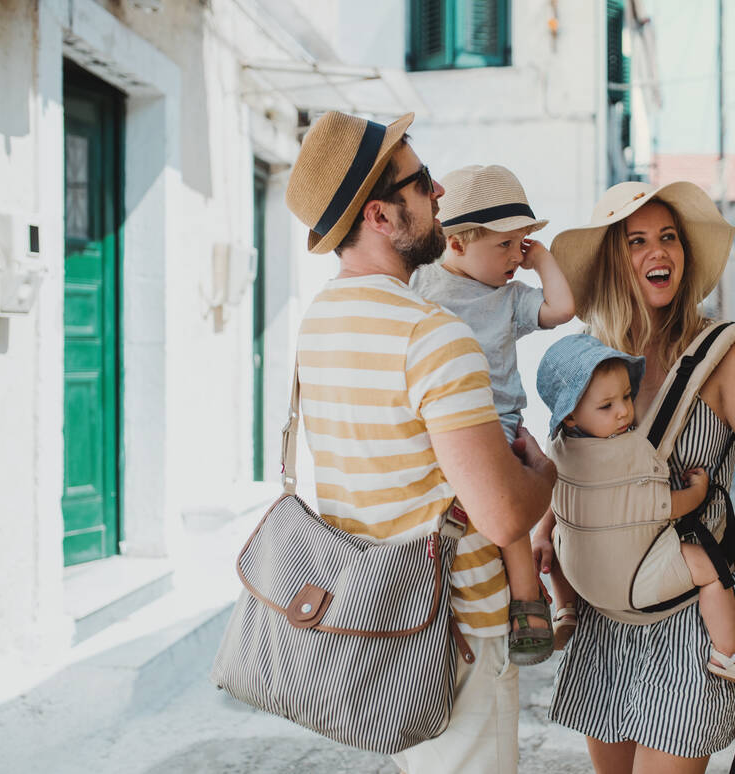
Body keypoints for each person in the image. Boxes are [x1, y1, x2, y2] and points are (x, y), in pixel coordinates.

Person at [284, 110, 556, 774]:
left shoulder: (319, 321)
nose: (439, 195)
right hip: (456, 625)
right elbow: (503, 513)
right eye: (422, 181)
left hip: (373, 615)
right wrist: (545, 474)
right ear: (380, 217)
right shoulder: (434, 336)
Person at [532, 180, 735, 773]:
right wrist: (547, 527)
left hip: (689, 608)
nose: (659, 252)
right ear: (611, 259)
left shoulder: (727, 354)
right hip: (606, 607)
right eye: (637, 241)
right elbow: (576, 463)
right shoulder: (587, 356)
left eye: (669, 238)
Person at [535, 333, 735, 693]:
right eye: (607, 406)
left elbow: (555, 498)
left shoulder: (558, 448)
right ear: (570, 416)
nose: (624, 412)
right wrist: (697, 492)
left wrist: (541, 533)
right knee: (711, 569)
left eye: (627, 397)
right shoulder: (627, 454)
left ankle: (565, 609)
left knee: (560, 536)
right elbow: (663, 507)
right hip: (634, 581)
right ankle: (728, 653)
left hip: (582, 579)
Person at [411, 164, 576, 665]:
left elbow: (563, 308)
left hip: (499, 424)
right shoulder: (423, 283)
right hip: (440, 423)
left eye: (521, 243)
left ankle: (528, 601)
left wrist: (541, 256)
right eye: (504, 245)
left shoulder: (509, 298)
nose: (514, 256)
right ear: (457, 243)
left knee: (507, 523)